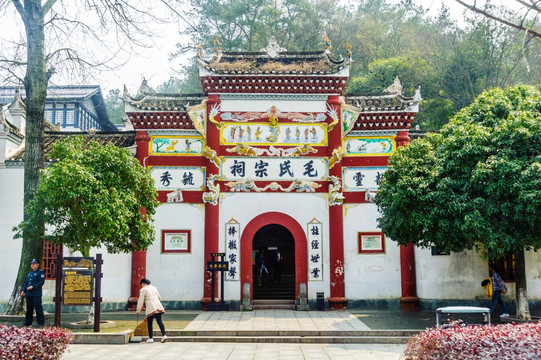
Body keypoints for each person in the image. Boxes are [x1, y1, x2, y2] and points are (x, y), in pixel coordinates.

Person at [136, 278, 167, 343]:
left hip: (151, 307)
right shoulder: (154, 288)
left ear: (143, 283)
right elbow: (159, 297)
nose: (141, 286)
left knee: (150, 323)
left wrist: (138, 310)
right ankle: (164, 335)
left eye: (141, 284)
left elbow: (140, 301)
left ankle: (151, 338)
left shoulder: (143, 290)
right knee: (159, 321)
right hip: (158, 306)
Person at [21, 258, 45, 327]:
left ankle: (41, 323)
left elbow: (41, 282)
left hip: (36, 294)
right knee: (29, 309)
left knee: (38, 309)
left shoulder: (40, 272)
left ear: (38, 264)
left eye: (34, 264)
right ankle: (28, 322)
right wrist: (23, 290)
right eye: (32, 264)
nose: (32, 265)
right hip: (29, 294)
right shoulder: (30, 273)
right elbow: (26, 282)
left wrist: (33, 287)